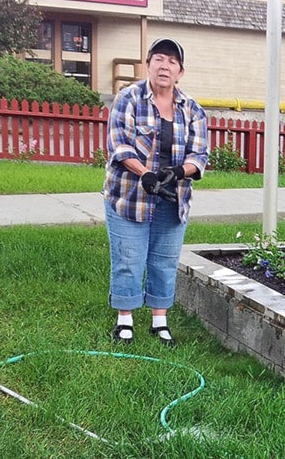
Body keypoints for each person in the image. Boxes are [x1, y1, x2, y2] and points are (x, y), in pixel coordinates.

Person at [103, 37, 208, 346]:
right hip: (129, 196)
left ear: (180, 71)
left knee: (163, 260)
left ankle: (159, 322)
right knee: (128, 257)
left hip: (172, 200)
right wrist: (145, 175)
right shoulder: (128, 98)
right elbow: (119, 145)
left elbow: (199, 155)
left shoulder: (193, 109)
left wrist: (178, 172)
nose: (165, 65)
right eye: (159, 58)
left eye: (172, 61)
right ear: (148, 64)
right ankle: (125, 321)